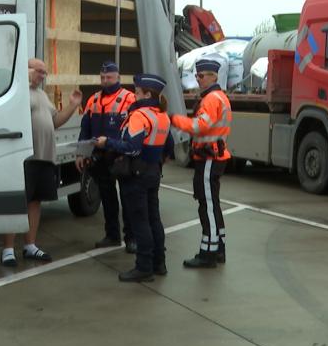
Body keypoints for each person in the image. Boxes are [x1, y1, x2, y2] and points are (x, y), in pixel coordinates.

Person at [2, 58, 82, 266]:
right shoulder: (15, 92)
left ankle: (30, 245)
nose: (43, 76)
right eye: (39, 71)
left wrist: (73, 106)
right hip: (25, 157)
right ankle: (8, 249)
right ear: (27, 70)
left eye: (45, 73)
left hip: (44, 157)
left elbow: (55, 121)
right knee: (16, 203)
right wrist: (23, 79)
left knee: (35, 201)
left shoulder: (42, 95)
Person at [96, 73, 174, 282]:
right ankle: (159, 263)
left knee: (140, 222)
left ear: (147, 94)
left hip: (136, 175)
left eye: (137, 91)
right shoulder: (162, 115)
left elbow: (131, 147)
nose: (134, 94)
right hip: (153, 172)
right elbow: (169, 147)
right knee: (154, 219)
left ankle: (144, 267)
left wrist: (107, 143)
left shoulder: (139, 116)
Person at [171, 58, 232, 269]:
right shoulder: (220, 97)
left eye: (202, 75)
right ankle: (219, 247)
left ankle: (208, 253)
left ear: (214, 76)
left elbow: (199, 126)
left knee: (207, 207)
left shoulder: (210, 100)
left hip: (208, 158)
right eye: (197, 75)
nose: (198, 79)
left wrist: (175, 119)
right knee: (212, 204)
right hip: (213, 157)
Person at [77, 61, 136, 252]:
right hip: (100, 158)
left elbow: (135, 128)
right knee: (108, 199)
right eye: (102, 77)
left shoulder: (129, 99)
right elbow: (85, 129)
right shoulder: (93, 100)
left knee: (128, 200)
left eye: (109, 77)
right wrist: (81, 153)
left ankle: (131, 239)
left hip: (122, 157)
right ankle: (112, 235)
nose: (105, 81)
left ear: (118, 77)